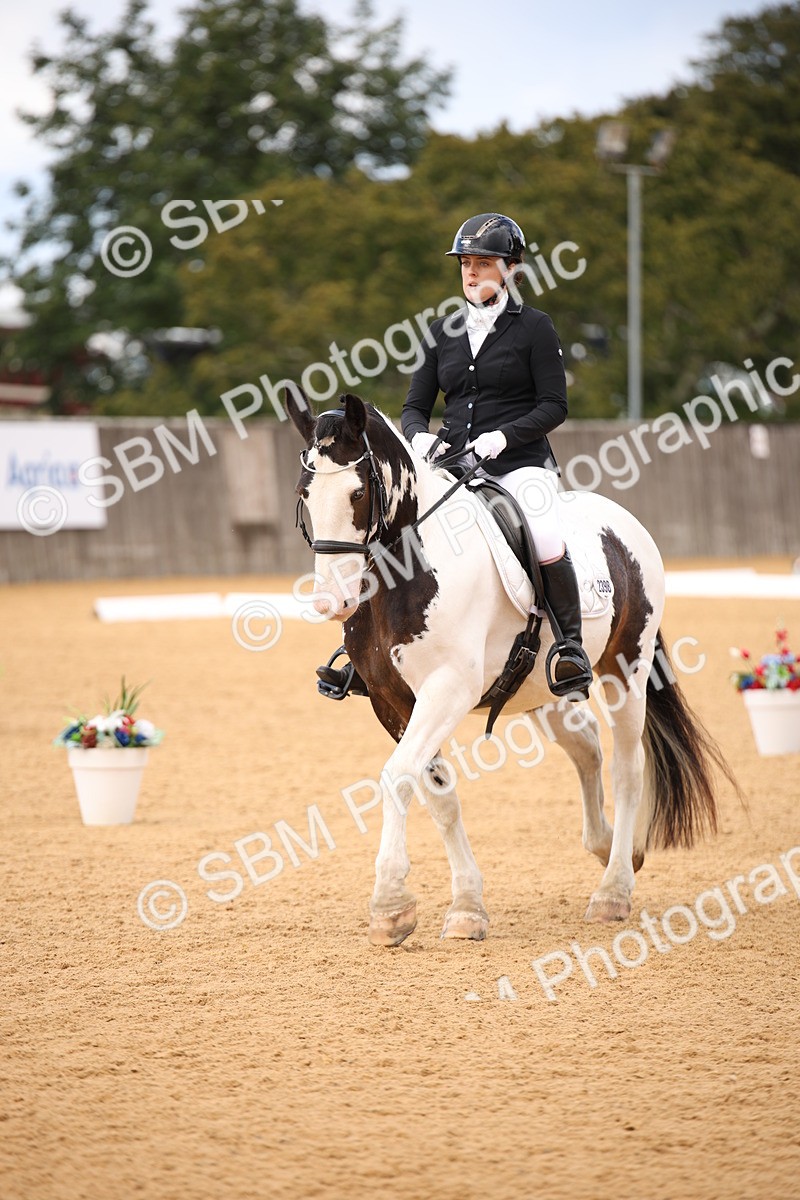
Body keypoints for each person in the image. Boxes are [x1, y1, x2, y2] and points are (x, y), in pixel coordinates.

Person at [316, 211, 593, 701]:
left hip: (519, 463)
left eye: (483, 263)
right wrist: (418, 438)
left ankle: (569, 647)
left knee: (545, 532)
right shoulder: (441, 330)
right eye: (466, 262)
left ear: (511, 268)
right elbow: (415, 405)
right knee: (388, 530)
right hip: (450, 465)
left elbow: (555, 406)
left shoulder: (535, 327)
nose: (470, 272)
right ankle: (365, 652)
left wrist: (503, 438)